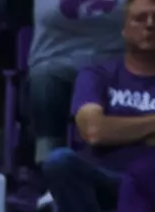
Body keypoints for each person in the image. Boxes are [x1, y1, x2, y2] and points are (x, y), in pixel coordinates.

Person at [43, 0, 155, 212]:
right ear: (123, 28)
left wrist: (117, 128)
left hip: (150, 185)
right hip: (105, 178)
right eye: (140, 18)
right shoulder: (98, 73)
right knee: (59, 162)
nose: (149, 25)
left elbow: (104, 129)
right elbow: (93, 130)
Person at [29, 0, 127, 162]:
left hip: (114, 64)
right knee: (45, 81)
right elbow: (50, 15)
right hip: (56, 62)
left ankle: (121, 166)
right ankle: (47, 164)